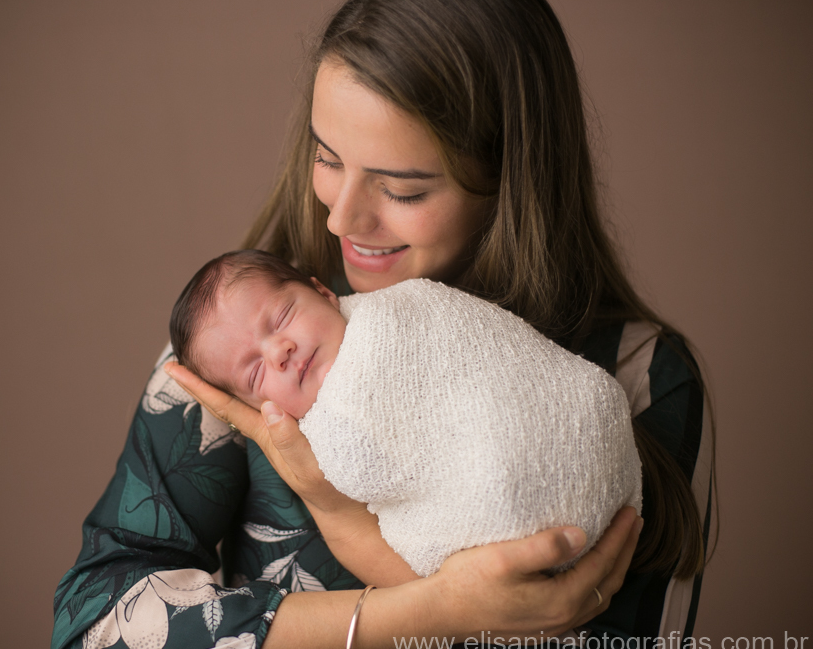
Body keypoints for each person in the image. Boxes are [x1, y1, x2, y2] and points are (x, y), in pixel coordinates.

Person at [51, 0, 714, 649]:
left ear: (511, 178)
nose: (340, 219)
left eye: (402, 189)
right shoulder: (241, 344)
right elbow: (94, 632)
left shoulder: (640, 378)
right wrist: (429, 607)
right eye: (327, 158)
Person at [168, 248, 642, 580]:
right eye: (255, 373)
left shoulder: (406, 308)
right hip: (503, 510)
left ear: (323, 293)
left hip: (571, 423)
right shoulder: (314, 437)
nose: (280, 352)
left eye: (282, 317)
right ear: (255, 407)